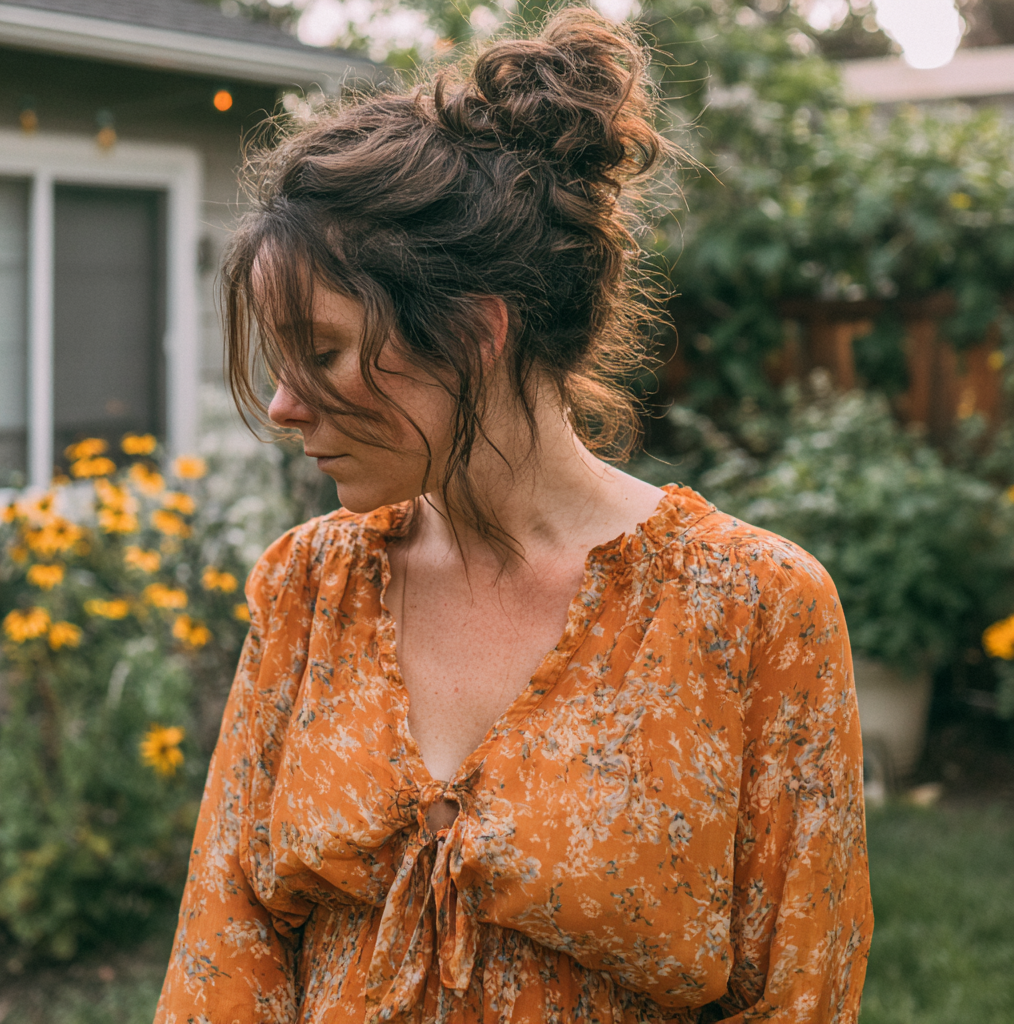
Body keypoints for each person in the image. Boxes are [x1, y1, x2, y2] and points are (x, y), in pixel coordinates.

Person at [154, 8, 872, 1022]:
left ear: (477, 333)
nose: (282, 405)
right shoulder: (309, 585)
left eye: (322, 353)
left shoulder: (752, 610)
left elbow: (798, 993)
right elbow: (220, 960)